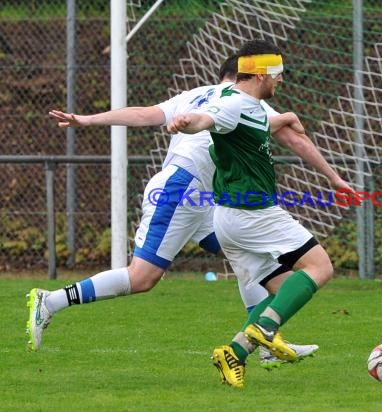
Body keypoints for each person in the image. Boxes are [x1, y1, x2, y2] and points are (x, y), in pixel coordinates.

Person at [27, 55, 332, 368]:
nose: (275, 80)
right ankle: (50, 301)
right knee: (142, 277)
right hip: (182, 191)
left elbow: (144, 114)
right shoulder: (245, 100)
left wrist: (89, 119)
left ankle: (264, 343)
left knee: (262, 268)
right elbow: (295, 140)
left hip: (208, 200)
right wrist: (334, 177)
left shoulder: (196, 94)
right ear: (249, 76)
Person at [167, 39, 353, 388]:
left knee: (283, 290)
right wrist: (186, 121)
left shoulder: (246, 104)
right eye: (277, 74)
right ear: (259, 75)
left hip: (228, 218)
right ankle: (265, 330)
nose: (280, 80)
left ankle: (234, 353)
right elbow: (207, 120)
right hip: (253, 212)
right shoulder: (234, 104)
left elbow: (247, 125)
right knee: (320, 267)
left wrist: (287, 119)